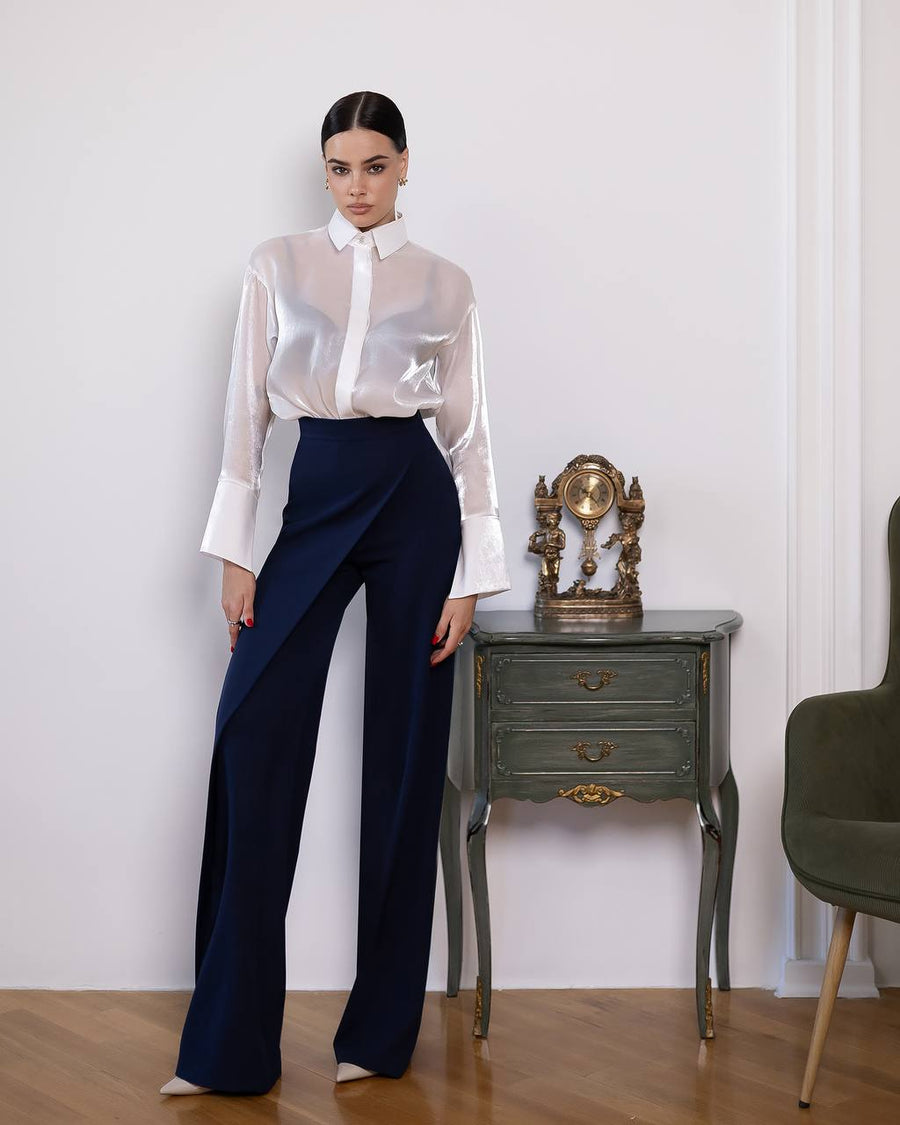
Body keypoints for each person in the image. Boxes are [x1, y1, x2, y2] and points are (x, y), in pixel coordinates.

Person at [160, 89, 511, 1098]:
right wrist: (237, 552)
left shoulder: (448, 285)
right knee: (252, 731)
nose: (356, 186)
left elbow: (470, 433)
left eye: (374, 166)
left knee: (404, 761)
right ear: (326, 174)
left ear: (404, 166)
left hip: (414, 504)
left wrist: (470, 576)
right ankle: (228, 1046)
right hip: (314, 499)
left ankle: (379, 1033)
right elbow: (244, 413)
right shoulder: (278, 264)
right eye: (340, 169)